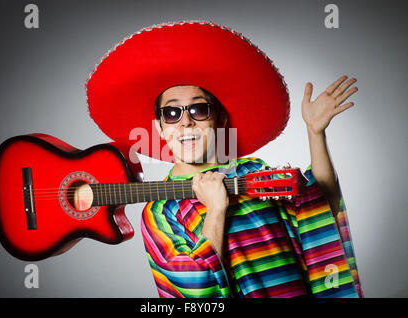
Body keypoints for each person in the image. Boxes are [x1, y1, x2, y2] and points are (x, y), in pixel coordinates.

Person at [85, 21, 363, 298]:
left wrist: (315, 132)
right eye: (172, 114)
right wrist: (216, 209)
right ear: (159, 128)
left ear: (220, 119)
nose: (185, 123)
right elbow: (196, 294)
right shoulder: (159, 213)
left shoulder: (254, 171)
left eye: (199, 109)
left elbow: (321, 206)